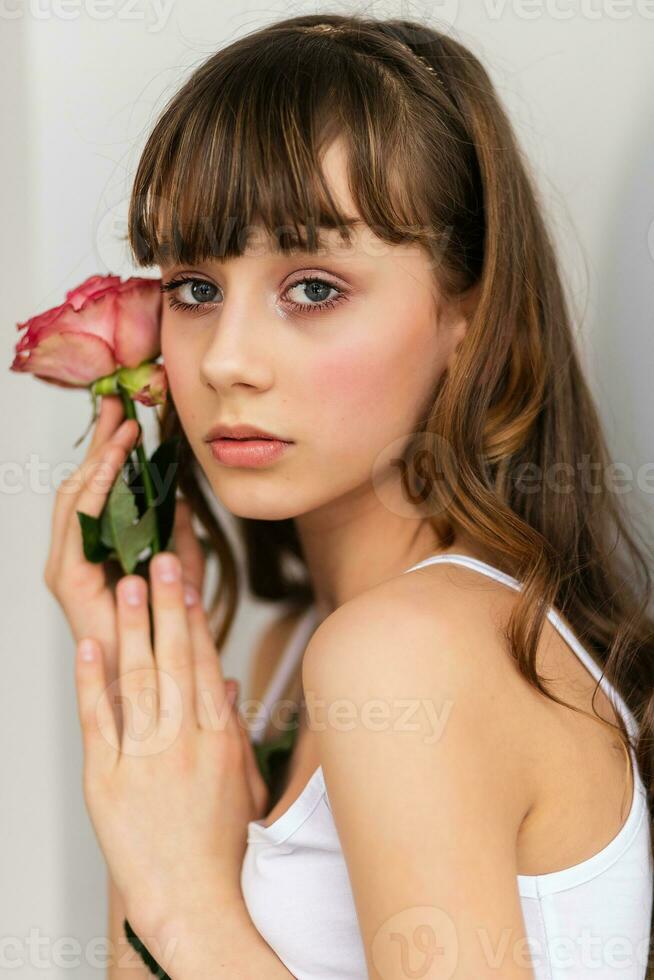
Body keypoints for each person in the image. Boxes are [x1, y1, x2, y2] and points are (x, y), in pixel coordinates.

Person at [46, 12, 654, 979]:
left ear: (469, 311)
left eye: (315, 288)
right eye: (196, 287)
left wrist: (186, 896)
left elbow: (183, 923)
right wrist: (139, 666)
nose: (229, 361)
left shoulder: (406, 653)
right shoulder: (307, 647)